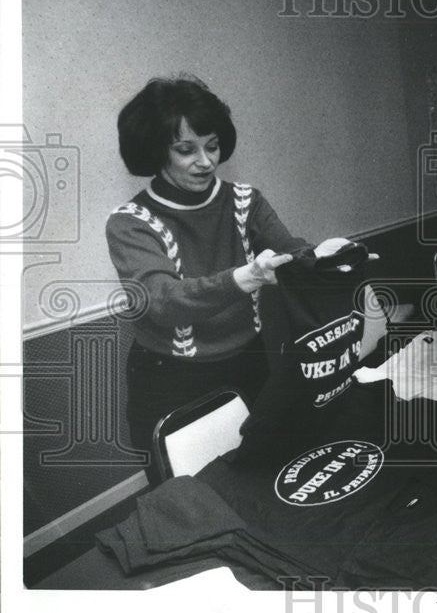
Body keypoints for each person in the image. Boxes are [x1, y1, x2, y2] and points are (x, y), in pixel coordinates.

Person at [107, 76, 349, 484]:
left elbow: (289, 248)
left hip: (249, 363)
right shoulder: (130, 224)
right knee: (187, 496)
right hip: (173, 379)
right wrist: (243, 277)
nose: (205, 161)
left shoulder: (244, 200)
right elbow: (161, 300)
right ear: (155, 152)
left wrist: (327, 258)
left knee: (260, 477)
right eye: (186, 150)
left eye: (212, 146)